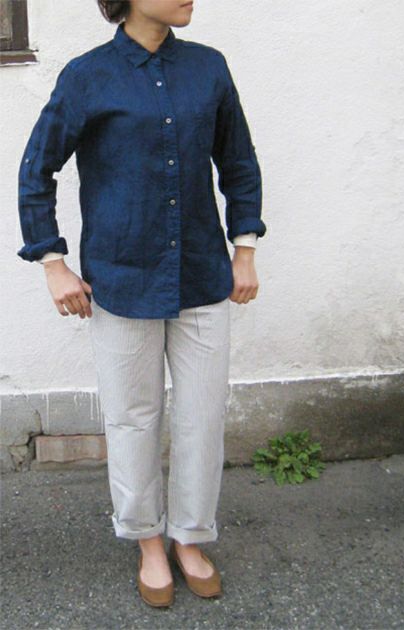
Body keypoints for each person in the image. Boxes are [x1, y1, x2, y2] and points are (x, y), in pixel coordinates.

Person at [16, 0, 266, 608]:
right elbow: (36, 168)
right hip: (123, 277)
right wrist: (52, 262)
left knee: (203, 415)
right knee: (132, 417)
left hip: (202, 273)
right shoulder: (87, 76)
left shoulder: (208, 68)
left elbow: (238, 162)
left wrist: (245, 248)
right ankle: (148, 540)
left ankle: (190, 537)